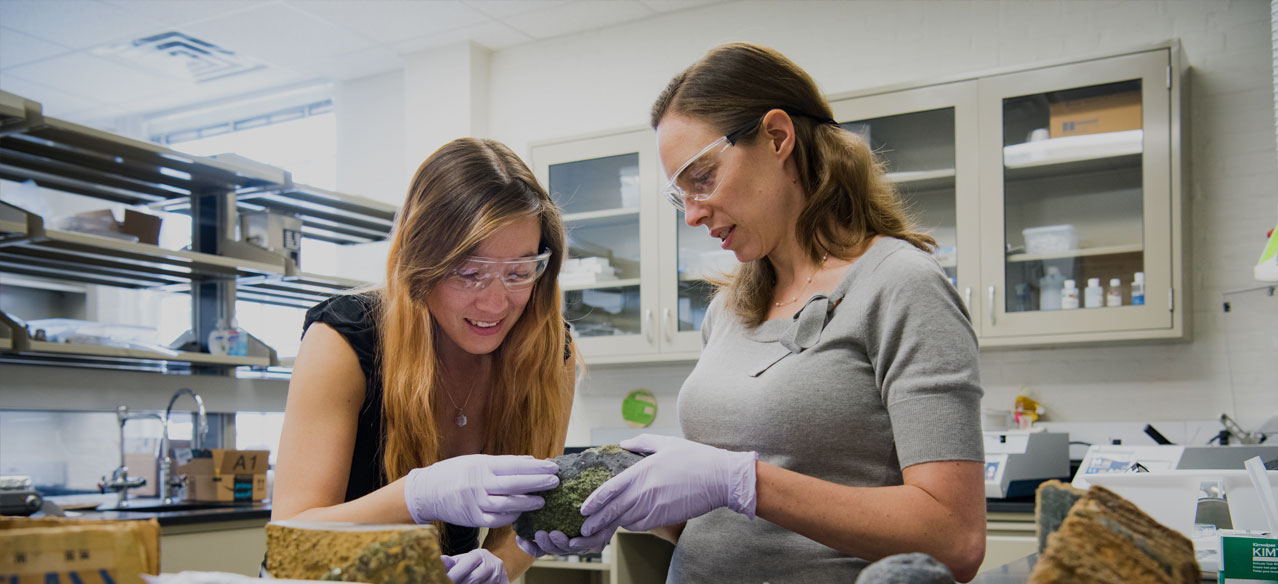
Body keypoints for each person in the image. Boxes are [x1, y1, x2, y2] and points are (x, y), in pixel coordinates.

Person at [525, 43, 988, 582]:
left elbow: (956, 537)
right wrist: (632, 505)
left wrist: (742, 480)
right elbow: (727, 519)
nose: (693, 215)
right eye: (680, 197)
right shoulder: (728, 309)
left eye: (702, 178)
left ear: (777, 137)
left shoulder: (901, 286)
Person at [272, 138, 578, 584]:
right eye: (469, 273)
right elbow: (291, 542)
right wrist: (416, 497)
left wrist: (499, 565)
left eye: (518, 273)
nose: (495, 304)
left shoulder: (548, 351)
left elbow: (526, 513)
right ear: (420, 262)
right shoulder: (344, 340)